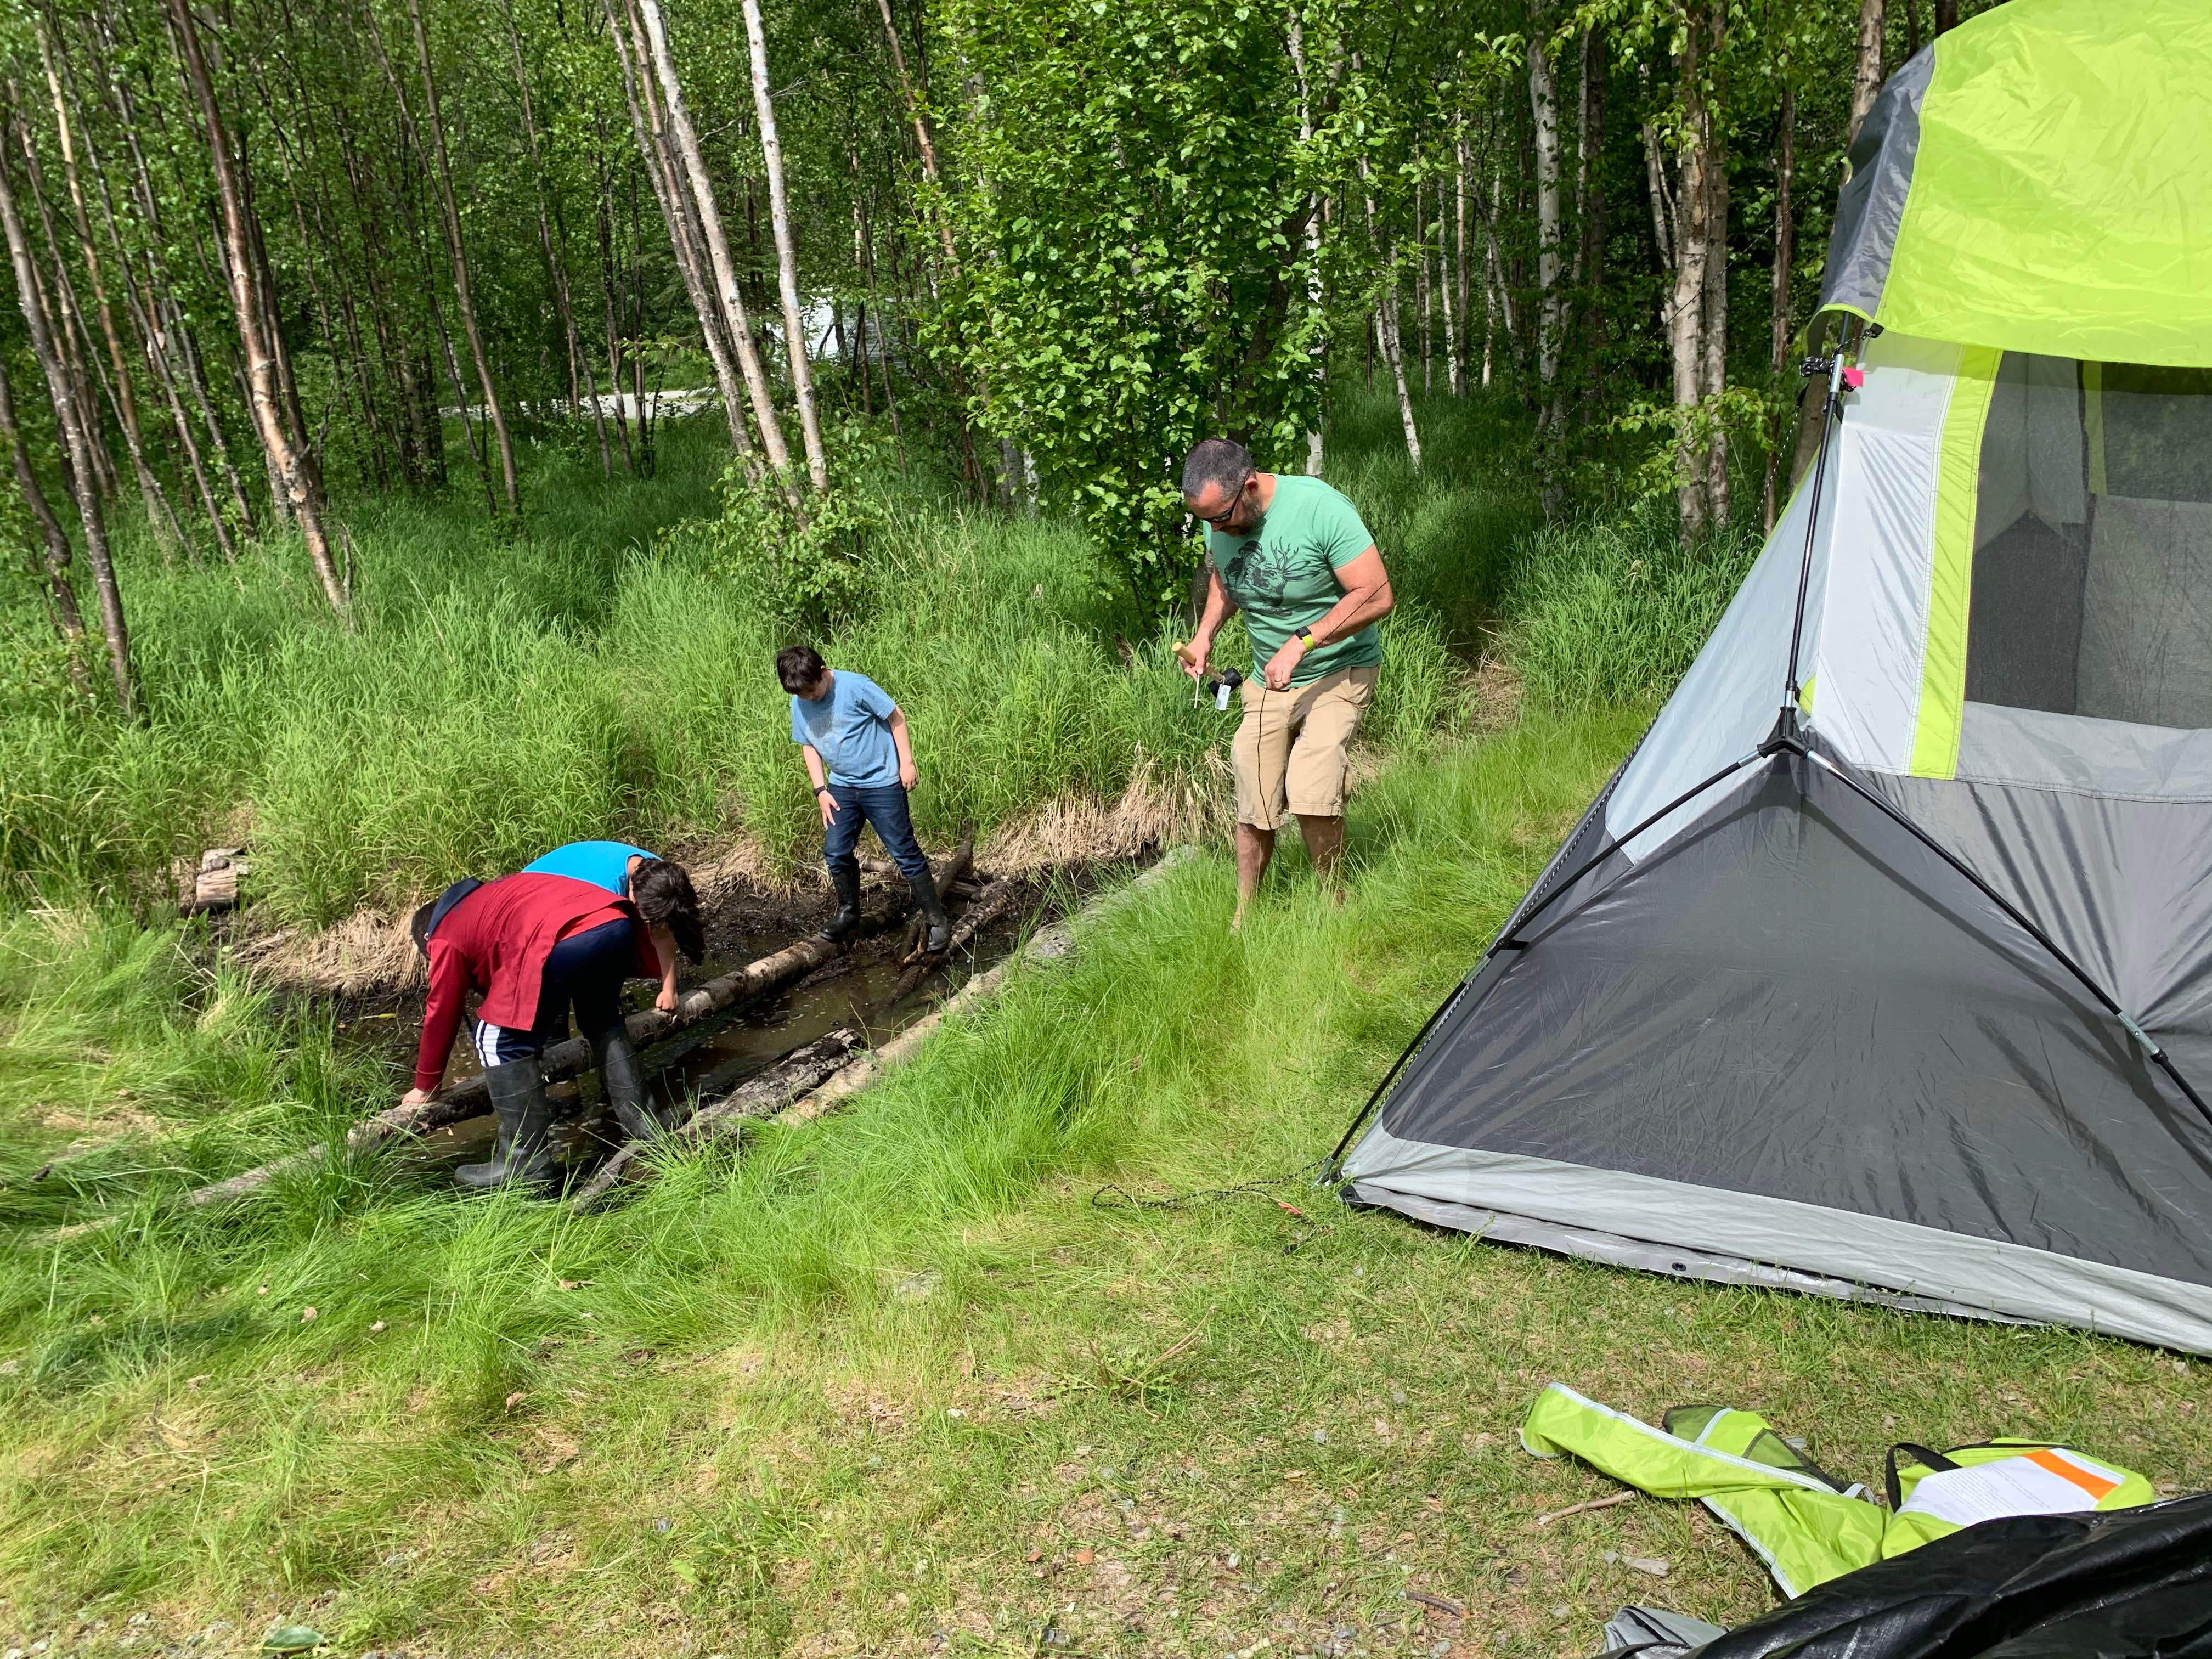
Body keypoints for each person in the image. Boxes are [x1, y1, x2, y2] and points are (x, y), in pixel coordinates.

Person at [1174, 437, 1395, 928]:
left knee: (1311, 786)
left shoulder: (1319, 508)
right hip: (1268, 680)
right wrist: (1206, 634)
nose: (1216, 530)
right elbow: (1225, 579)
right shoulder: (1221, 518)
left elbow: (1377, 594)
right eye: (1206, 522)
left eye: (1221, 518)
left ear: (1249, 487)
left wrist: (1303, 642)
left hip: (1339, 667)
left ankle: (1334, 905)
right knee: (1254, 791)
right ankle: (1245, 916)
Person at [401, 867, 675, 1189]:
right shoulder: (489, 899)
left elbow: (441, 1010)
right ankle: (647, 1128)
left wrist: (426, 1084)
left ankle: (525, 1162)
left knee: (494, 1041)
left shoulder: (445, 934)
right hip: (615, 921)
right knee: (602, 1020)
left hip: (565, 936)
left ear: (426, 939)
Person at [777, 644, 951, 952]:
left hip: (882, 782)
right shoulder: (799, 701)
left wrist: (906, 762)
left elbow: (896, 716)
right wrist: (821, 791)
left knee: (904, 850)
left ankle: (937, 919)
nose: (808, 698)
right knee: (836, 851)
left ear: (822, 672)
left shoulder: (856, 686)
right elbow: (808, 745)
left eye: (812, 690)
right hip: (841, 786)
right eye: (801, 694)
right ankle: (849, 912)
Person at [521, 840, 704, 1013]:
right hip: (530, 900)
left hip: (568, 892)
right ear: (633, 891)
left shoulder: (660, 875)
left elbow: (662, 933)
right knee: (556, 1002)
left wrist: (669, 990)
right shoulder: (604, 890)